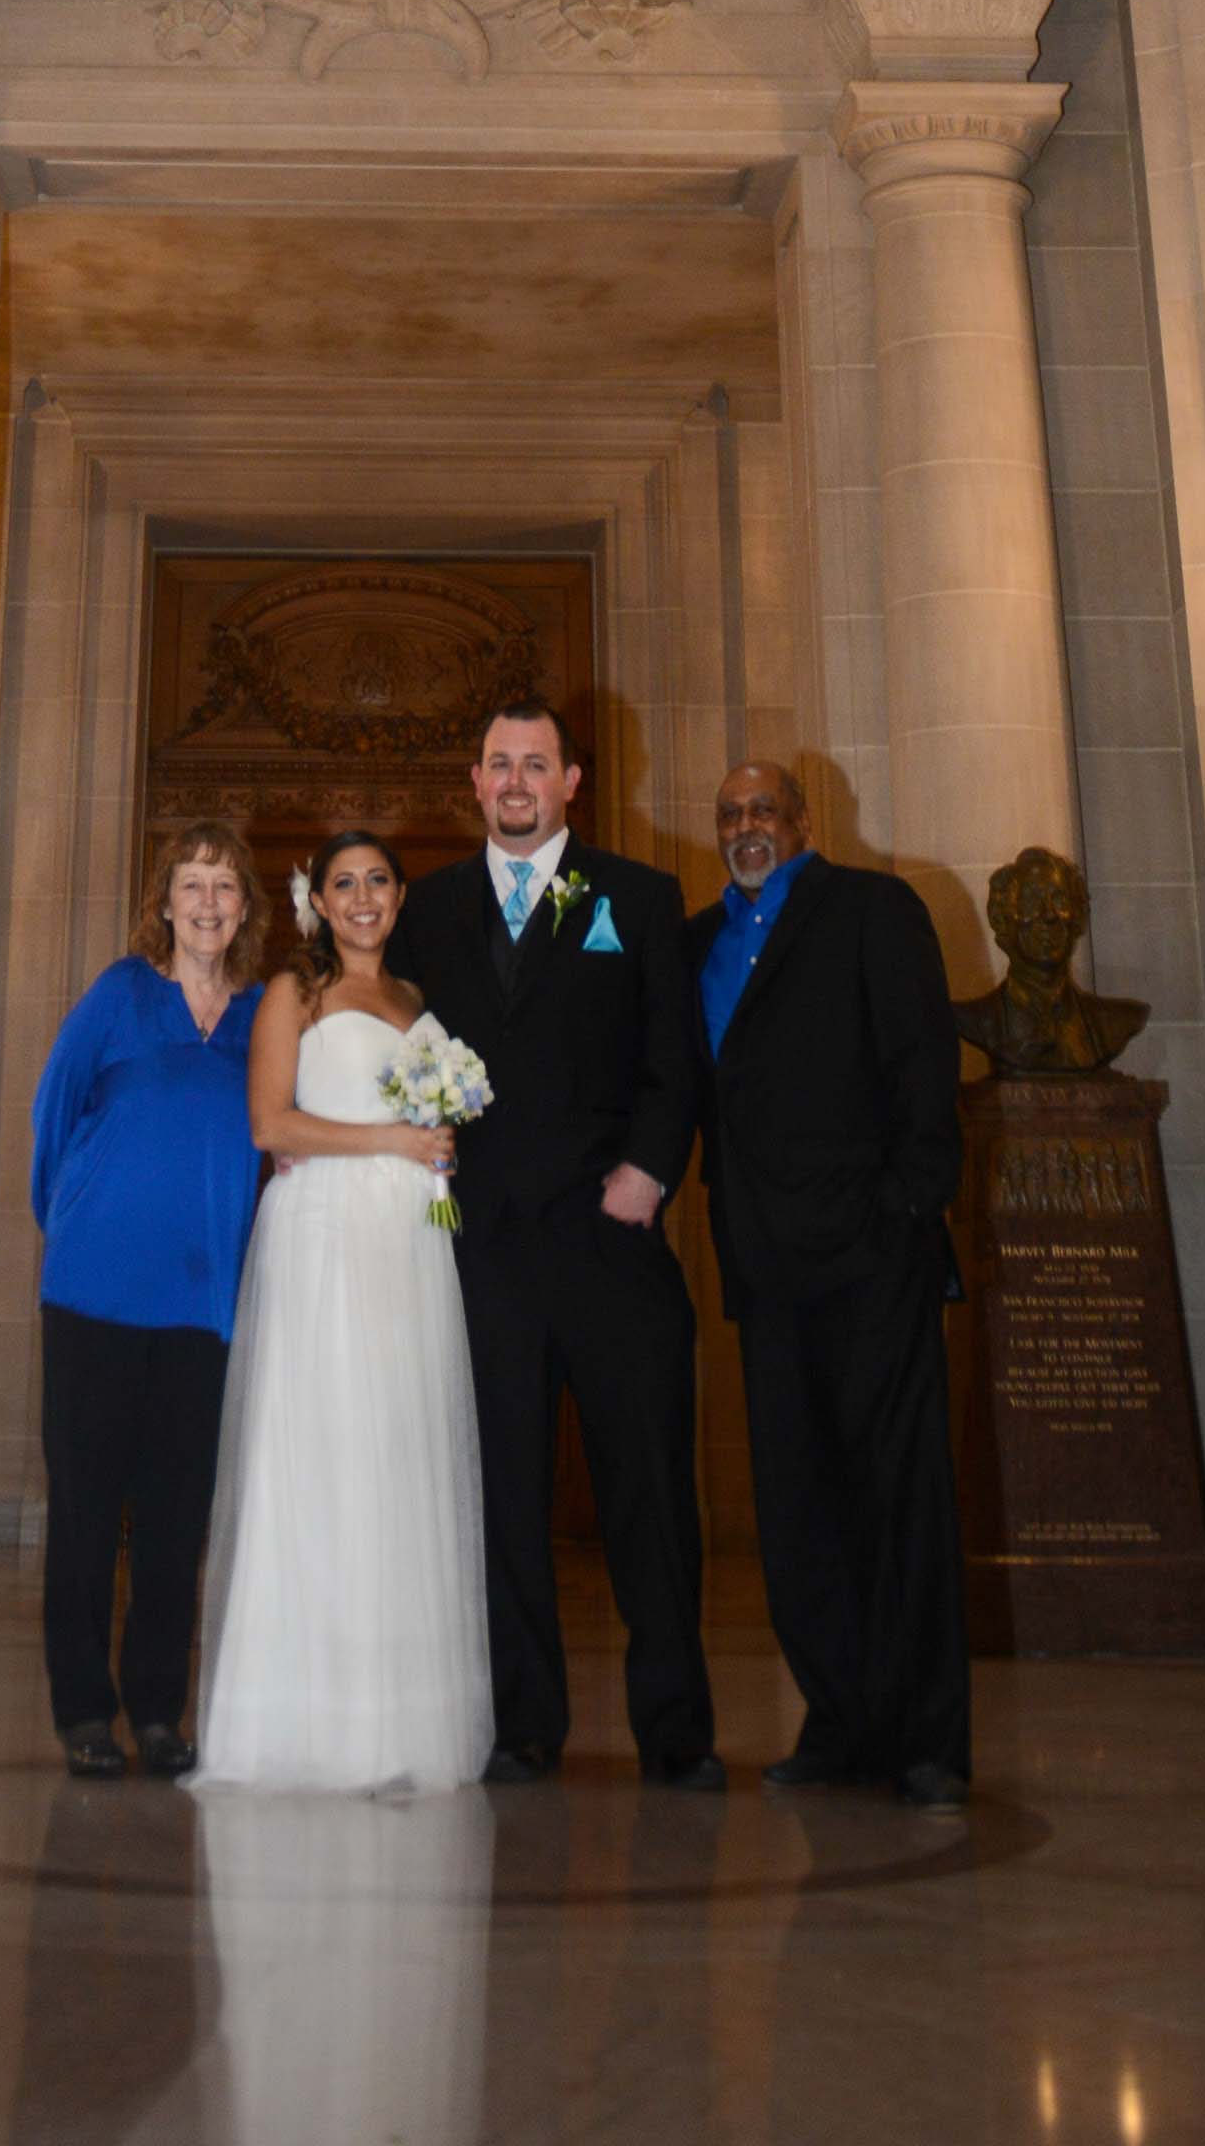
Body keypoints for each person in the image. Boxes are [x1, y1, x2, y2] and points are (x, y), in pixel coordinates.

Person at [395, 701, 719, 1790]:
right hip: (480, 1249)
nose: (518, 781)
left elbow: (675, 1057)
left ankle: (675, 1733)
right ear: (475, 781)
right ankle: (523, 1725)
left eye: (538, 763)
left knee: (650, 1496)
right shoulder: (425, 910)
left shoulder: (633, 896)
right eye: (499, 764)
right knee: (503, 1498)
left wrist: (649, 1171)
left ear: (573, 780)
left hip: (607, 1238)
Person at [689, 759, 972, 1811]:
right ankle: (840, 1722)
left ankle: (926, 1740)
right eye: (729, 814)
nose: (745, 825)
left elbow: (920, 1063)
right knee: (796, 1504)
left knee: (898, 1498)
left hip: (870, 1257)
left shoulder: (871, 909)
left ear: (805, 823)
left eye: (763, 809)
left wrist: (908, 1205)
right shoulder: (694, 940)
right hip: (763, 1268)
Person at [194, 828, 494, 1792]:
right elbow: (268, 1123)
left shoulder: (415, 1002)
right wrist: (395, 1142)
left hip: (409, 1241)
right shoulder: (296, 993)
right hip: (323, 1236)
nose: (361, 898)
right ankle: (295, 1721)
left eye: (376, 882)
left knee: (396, 1456)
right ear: (315, 901)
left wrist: (436, 1149)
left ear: (400, 897)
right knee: (317, 1456)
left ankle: (395, 1723)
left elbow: (425, 1126)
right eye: (342, 884)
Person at [29, 819, 269, 1779]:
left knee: (177, 1519)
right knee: (86, 1513)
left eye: (224, 887)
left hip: (202, 1307)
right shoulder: (121, 995)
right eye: (191, 885)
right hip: (93, 1294)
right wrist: (83, 1224)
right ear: (163, 903)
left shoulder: (260, 1018)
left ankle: (158, 1713)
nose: (208, 903)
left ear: (246, 908)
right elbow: (53, 1112)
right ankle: (85, 1711)